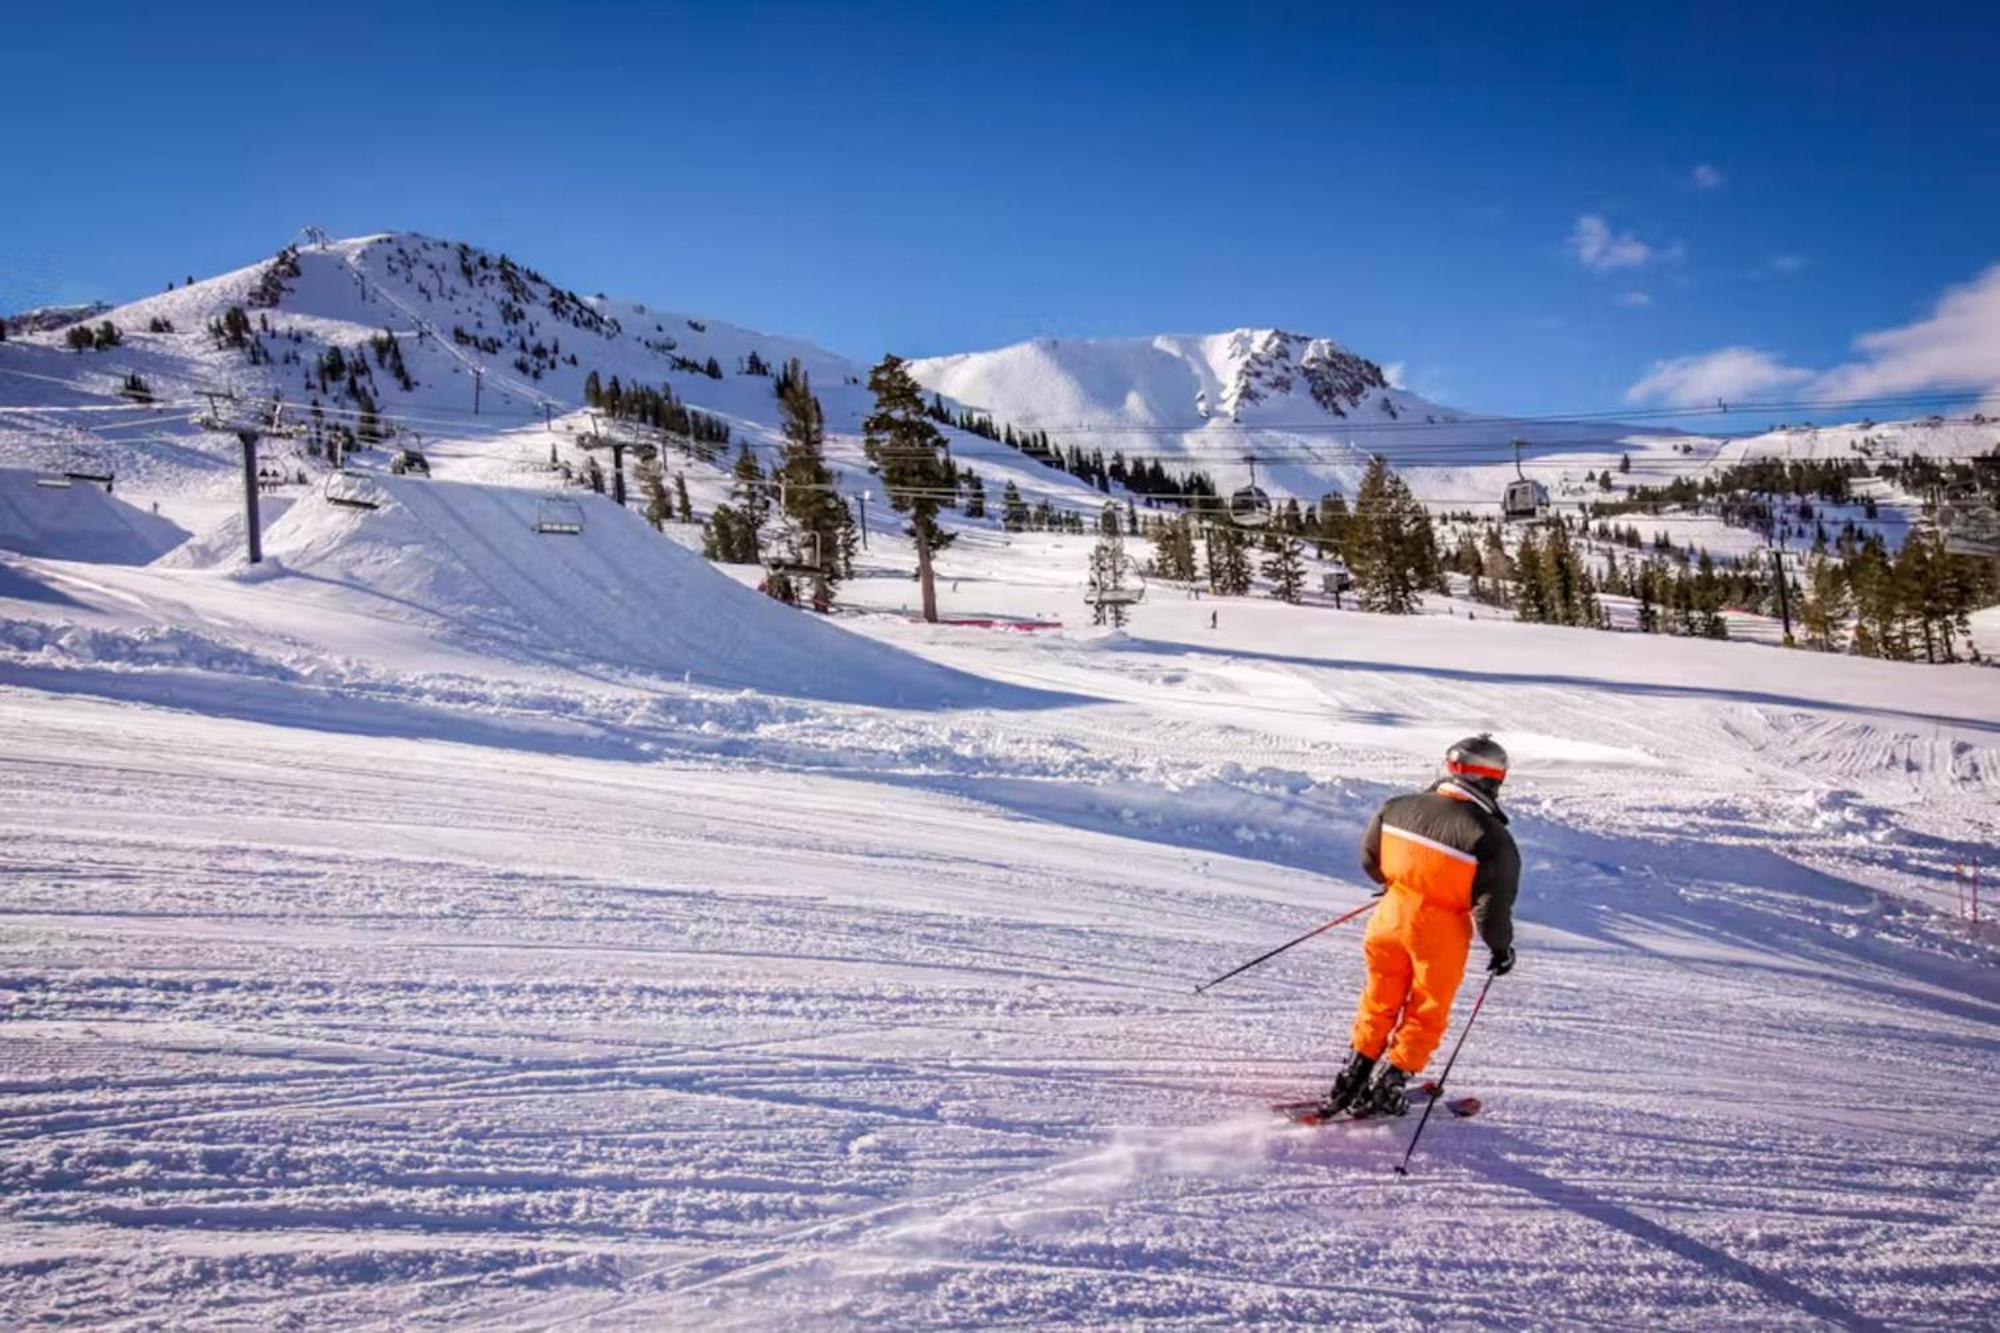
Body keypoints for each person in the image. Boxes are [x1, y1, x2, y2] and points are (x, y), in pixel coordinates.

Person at [1320, 734, 1520, 1118]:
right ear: (1492, 780)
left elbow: (1370, 860)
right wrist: (1500, 947)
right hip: (1438, 931)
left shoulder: (1397, 806)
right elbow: (1492, 906)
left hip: (1389, 917)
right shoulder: (1491, 835)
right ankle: (1389, 1084)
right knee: (1427, 1007)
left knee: (1379, 998)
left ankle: (1353, 1076)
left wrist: (1405, 884)